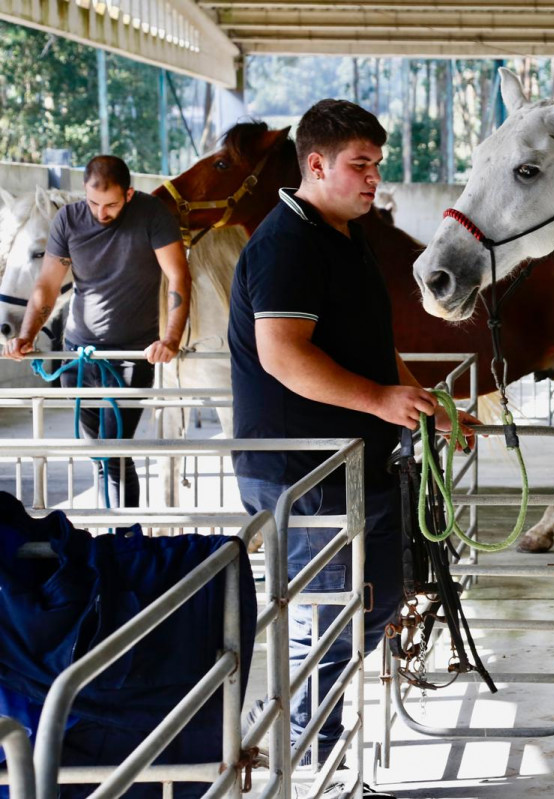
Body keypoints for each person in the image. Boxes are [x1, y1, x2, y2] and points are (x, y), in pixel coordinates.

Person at [227, 98, 476, 769]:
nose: (373, 177)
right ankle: (300, 751)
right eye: (359, 164)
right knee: (330, 615)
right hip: (298, 466)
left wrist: (426, 405)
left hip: (350, 458)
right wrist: (378, 399)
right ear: (315, 164)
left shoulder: (344, 236)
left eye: (376, 164)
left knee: (375, 598)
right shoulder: (286, 244)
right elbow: (282, 353)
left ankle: (296, 732)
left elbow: (371, 347)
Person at [3, 155, 189, 507]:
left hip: (130, 355)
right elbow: (46, 284)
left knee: (115, 454)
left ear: (129, 194)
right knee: (99, 457)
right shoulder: (68, 220)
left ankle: (125, 539)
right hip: (77, 354)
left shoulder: (153, 215)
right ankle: (112, 540)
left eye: (111, 205)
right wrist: (28, 334)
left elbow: (178, 276)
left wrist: (171, 339)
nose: (101, 213)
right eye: (93, 203)